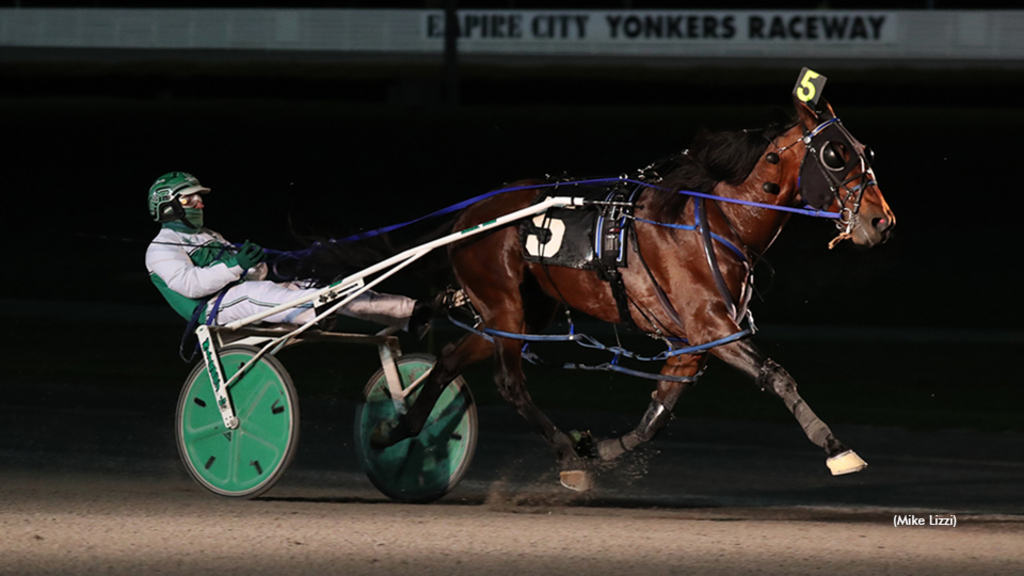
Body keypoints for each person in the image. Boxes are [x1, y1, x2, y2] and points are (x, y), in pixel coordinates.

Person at [145, 171, 434, 335]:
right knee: (260, 293)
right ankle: (313, 311)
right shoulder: (159, 249)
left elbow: (256, 274)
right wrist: (236, 265)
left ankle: (408, 312)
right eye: (189, 198)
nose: (199, 203)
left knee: (320, 287)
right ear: (169, 207)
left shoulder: (210, 236)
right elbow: (191, 286)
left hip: (245, 295)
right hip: (211, 311)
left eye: (199, 198)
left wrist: (253, 264)